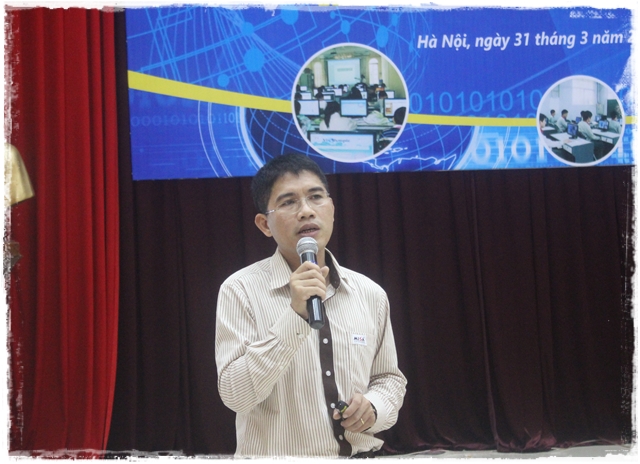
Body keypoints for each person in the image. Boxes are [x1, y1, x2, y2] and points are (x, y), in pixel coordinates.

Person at [215, 154, 407, 457]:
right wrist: (295, 316)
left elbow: (389, 379)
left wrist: (374, 407)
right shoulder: (240, 290)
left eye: (316, 197)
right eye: (289, 202)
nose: (306, 211)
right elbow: (235, 395)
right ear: (265, 224)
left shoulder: (370, 293)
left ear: (332, 209)